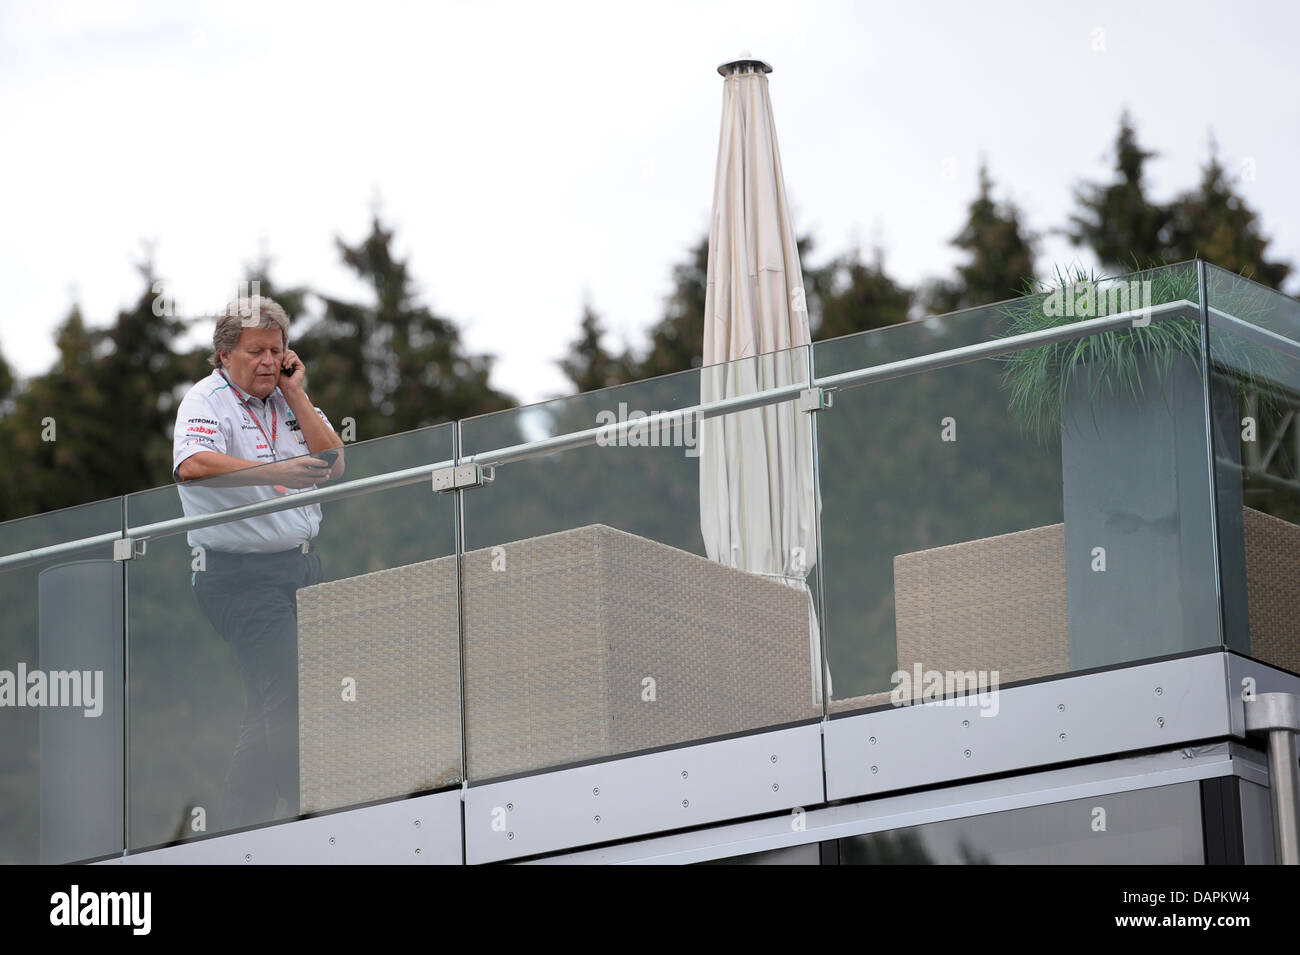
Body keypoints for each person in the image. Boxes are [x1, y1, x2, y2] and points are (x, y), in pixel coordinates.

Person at [172, 295, 344, 830]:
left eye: (277, 350)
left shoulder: (290, 396)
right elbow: (192, 465)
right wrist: (274, 473)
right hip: (237, 577)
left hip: (299, 568)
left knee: (273, 702)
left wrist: (297, 393)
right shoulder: (205, 400)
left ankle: (238, 832)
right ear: (225, 356)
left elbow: (335, 463)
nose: (269, 361)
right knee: (289, 692)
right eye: (256, 351)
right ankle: (305, 816)